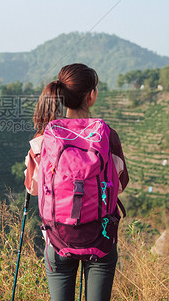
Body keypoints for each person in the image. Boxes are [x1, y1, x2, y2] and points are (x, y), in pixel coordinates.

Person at [24, 63, 129, 301]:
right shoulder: (107, 136)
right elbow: (120, 185)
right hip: (100, 237)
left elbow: (32, 187)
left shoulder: (44, 138)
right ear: (91, 96)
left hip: (58, 238)